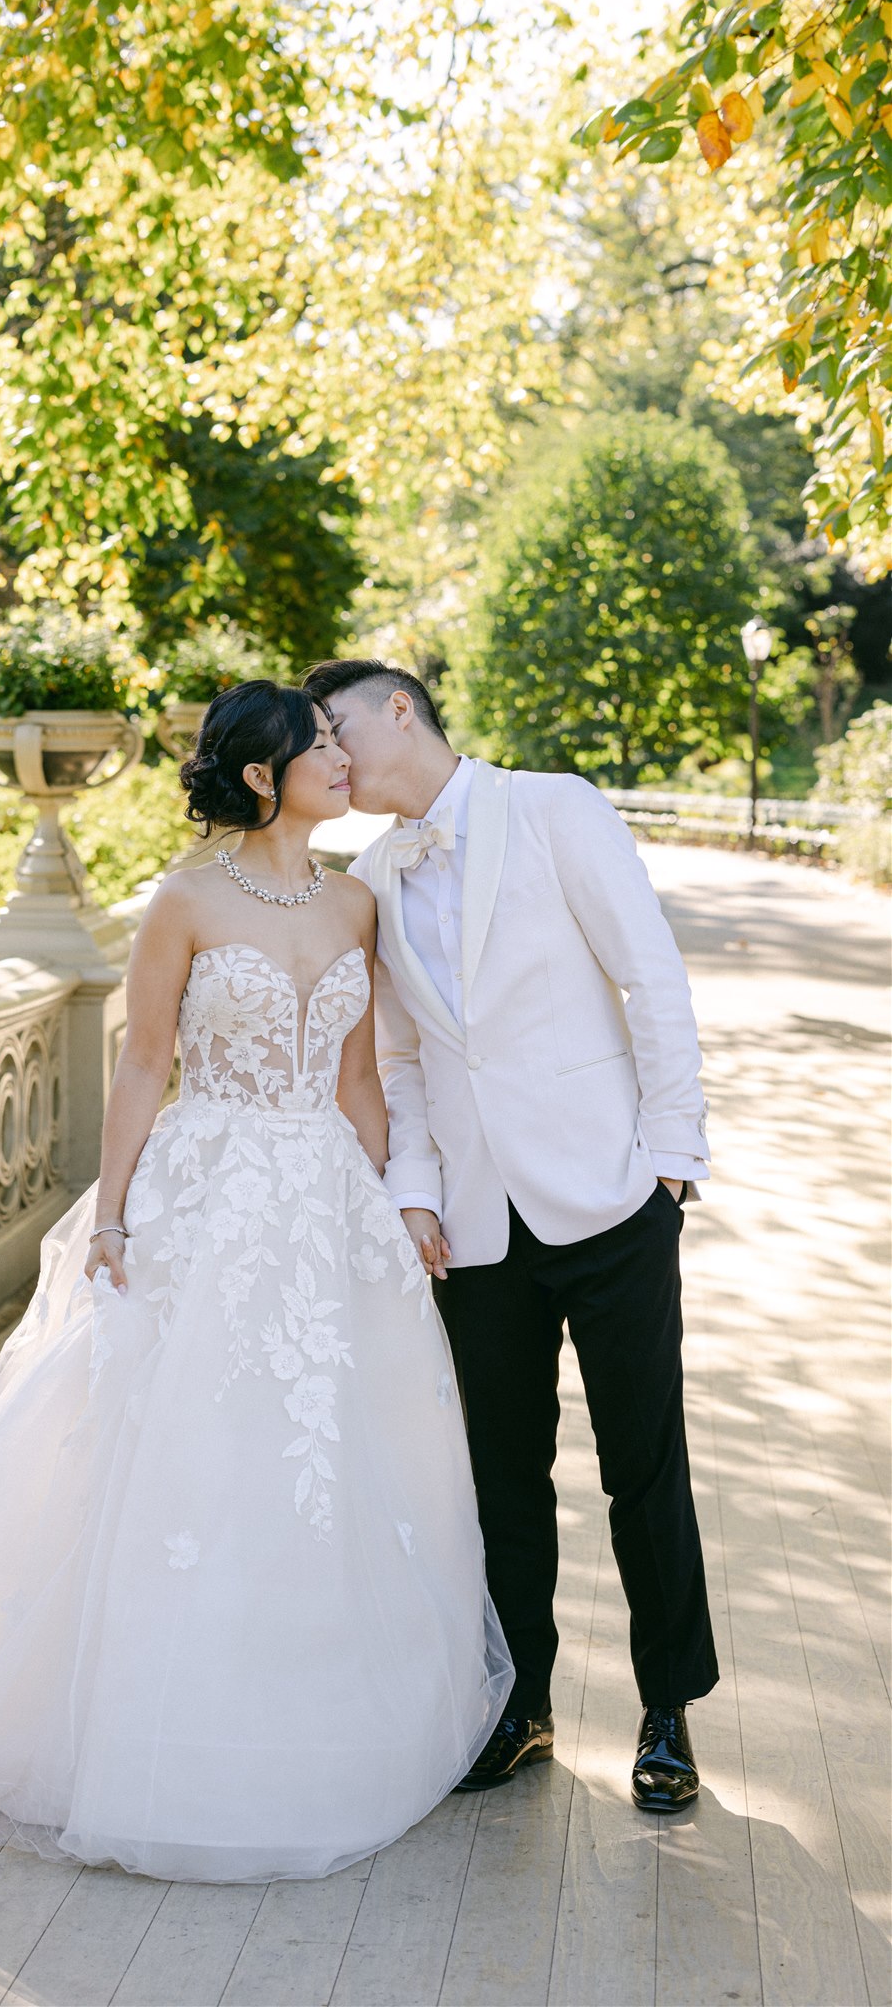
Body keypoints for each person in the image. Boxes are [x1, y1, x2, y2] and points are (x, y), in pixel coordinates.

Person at [0, 680, 511, 1883]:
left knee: (332, 1452)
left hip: (329, 1206)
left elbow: (361, 1080)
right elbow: (142, 1063)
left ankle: (318, 1713)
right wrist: (116, 1210)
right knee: (183, 1445)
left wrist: (403, 1198)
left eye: (344, 741)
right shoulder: (185, 900)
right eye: (320, 747)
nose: (342, 761)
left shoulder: (355, 903)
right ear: (261, 774)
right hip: (211, 1188)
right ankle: (149, 1727)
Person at [302, 657, 717, 1814]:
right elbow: (397, 1059)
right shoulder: (370, 880)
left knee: (645, 1464)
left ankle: (667, 1708)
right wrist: (415, 1188)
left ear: (400, 707)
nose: (330, 760)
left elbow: (651, 972)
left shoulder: (554, 806)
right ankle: (521, 1705)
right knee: (499, 1475)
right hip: (477, 1225)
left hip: (611, 1193)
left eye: (336, 731)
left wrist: (673, 1149)